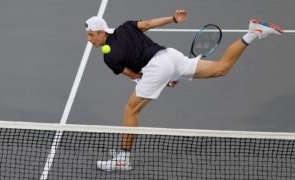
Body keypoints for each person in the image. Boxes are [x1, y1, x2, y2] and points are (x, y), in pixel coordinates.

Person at [85, 9, 283, 171]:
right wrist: (173, 19)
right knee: (221, 68)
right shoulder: (126, 26)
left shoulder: (109, 57)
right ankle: (253, 33)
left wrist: (161, 78)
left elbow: (135, 75)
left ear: (103, 32)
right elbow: (149, 24)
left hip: (157, 67)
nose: (89, 39)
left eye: (91, 35)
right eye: (88, 35)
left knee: (131, 110)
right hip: (170, 56)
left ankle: (123, 158)